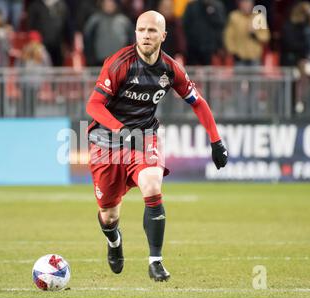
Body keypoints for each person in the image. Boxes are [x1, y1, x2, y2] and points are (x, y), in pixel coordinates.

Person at [86, 10, 228, 281]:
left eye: (152, 31)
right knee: (109, 214)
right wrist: (120, 129)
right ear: (135, 33)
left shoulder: (170, 68)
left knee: (152, 183)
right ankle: (114, 242)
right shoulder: (119, 63)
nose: (146, 35)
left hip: (143, 136)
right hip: (105, 140)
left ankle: (155, 261)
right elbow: (93, 105)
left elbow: (197, 101)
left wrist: (216, 141)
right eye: (141, 30)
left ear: (163, 35)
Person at [83, 0, 134, 66]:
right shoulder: (94, 20)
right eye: (107, 3)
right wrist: (90, 59)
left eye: (111, 3)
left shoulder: (124, 21)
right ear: (102, 4)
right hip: (99, 62)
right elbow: (88, 40)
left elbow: (131, 41)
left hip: (120, 61)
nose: (109, 6)